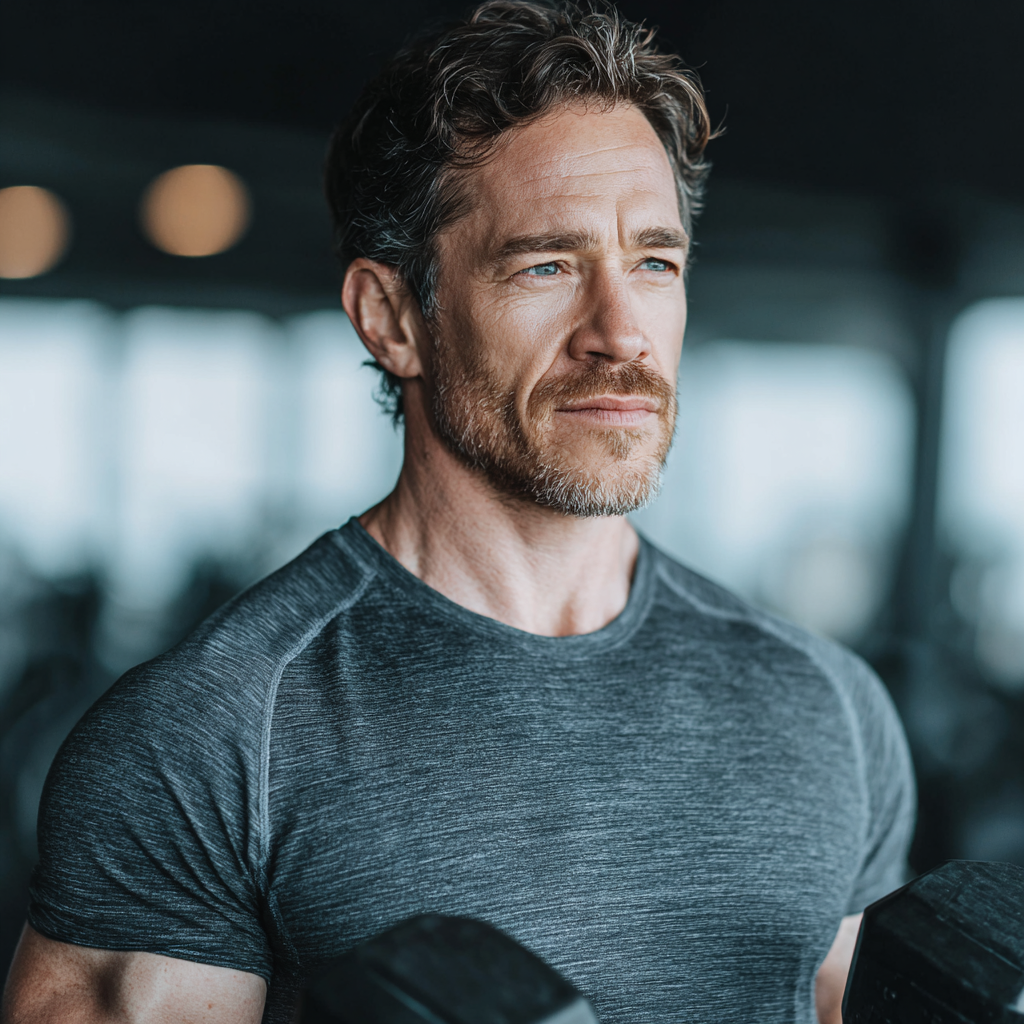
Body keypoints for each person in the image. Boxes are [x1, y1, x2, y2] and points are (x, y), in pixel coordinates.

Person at [2, 3, 915, 1022]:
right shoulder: (208, 739)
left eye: (654, 262)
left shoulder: (825, 707)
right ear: (392, 318)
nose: (621, 332)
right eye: (547, 265)